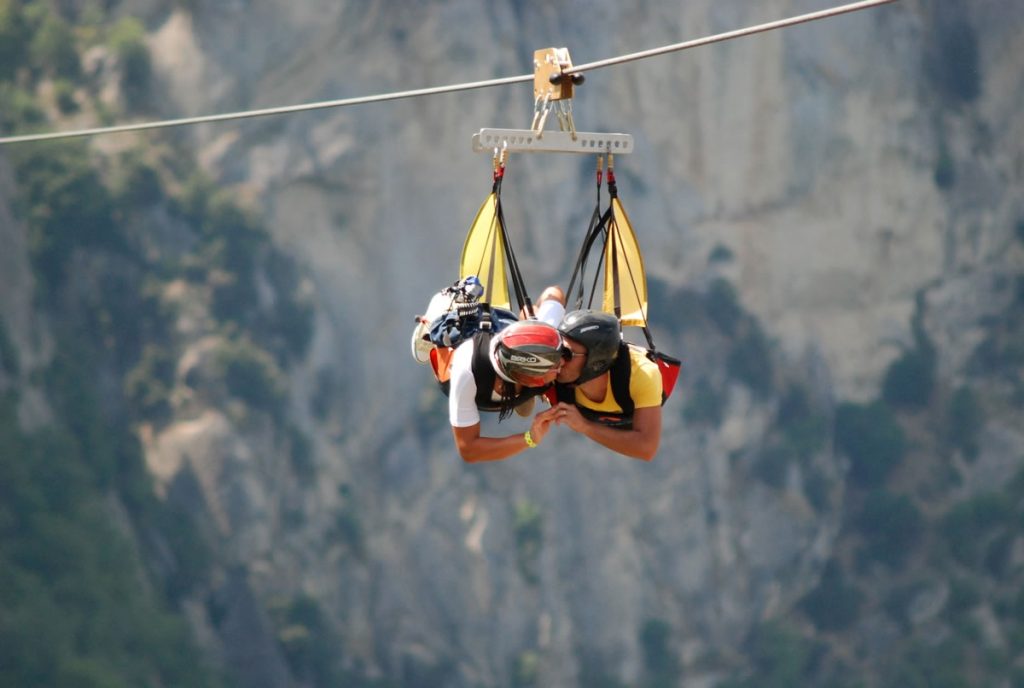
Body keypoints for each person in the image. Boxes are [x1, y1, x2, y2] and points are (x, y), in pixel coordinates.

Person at [447, 287, 568, 462]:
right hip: (473, 371)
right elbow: (468, 450)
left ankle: (526, 317)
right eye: (555, 365)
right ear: (534, 380)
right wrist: (530, 438)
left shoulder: (547, 339)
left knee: (532, 313)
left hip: (516, 338)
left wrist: (536, 319)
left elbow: (555, 292)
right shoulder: (468, 370)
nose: (563, 363)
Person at [551, 309, 663, 461]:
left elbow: (647, 448)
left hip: (633, 413)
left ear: (595, 361)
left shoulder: (642, 374)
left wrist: (584, 426)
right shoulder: (551, 368)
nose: (559, 361)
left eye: (567, 354)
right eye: (558, 351)